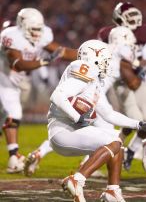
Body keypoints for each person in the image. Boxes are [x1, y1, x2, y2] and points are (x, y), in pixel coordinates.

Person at [46, 39, 146, 202]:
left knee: (117, 144)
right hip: (62, 131)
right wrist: (76, 116)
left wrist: (138, 124)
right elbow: (57, 96)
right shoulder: (85, 68)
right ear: (94, 57)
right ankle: (77, 179)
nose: (109, 64)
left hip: (74, 130)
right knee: (114, 141)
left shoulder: (95, 80)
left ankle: (112, 191)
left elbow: (108, 114)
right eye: (106, 60)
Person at [0, 7, 76, 173]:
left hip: (20, 81)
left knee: (7, 116)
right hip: (3, 78)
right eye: (33, 29)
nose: (37, 33)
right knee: (15, 113)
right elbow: (18, 64)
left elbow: (60, 50)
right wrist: (45, 61)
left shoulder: (44, 34)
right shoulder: (11, 36)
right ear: (22, 26)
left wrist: (84, 54)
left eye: (39, 29)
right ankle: (13, 158)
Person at [97, 2, 146, 171]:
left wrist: (140, 66)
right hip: (121, 81)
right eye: (129, 16)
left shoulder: (142, 31)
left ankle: (130, 149)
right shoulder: (109, 33)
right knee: (136, 120)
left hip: (140, 78)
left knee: (140, 120)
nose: (134, 20)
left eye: (135, 15)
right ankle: (110, 149)